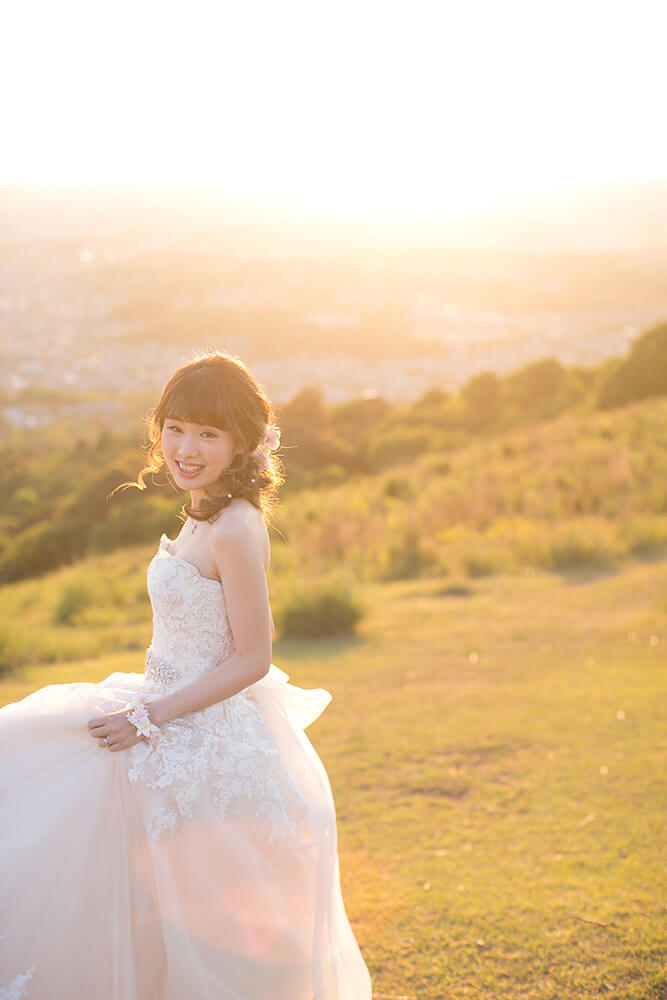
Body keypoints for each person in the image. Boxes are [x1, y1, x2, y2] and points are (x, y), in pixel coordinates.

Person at [0, 351, 372, 1000]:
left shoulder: (235, 525)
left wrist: (148, 718)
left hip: (201, 738)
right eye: (175, 428)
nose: (185, 448)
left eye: (207, 433)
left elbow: (252, 656)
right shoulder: (201, 509)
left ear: (242, 444)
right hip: (159, 707)